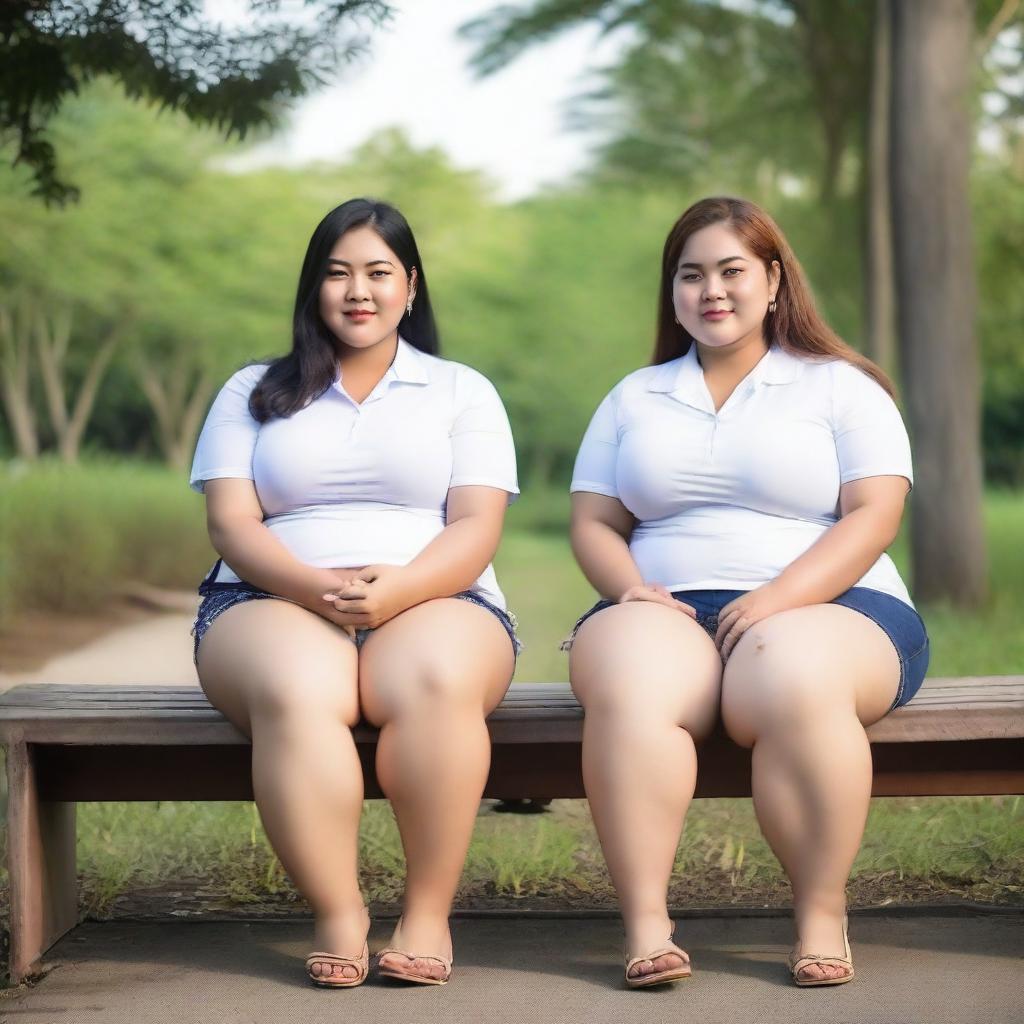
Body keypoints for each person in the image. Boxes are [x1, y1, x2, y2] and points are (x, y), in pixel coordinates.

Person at [562, 196, 929, 989]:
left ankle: (821, 912)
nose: (711, 290)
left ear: (772, 278)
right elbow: (593, 521)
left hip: (835, 606)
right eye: (690, 275)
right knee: (631, 679)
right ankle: (648, 926)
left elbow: (876, 513)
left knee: (791, 669)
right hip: (664, 604)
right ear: (673, 292)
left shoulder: (841, 386)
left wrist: (778, 597)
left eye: (731, 270)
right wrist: (630, 591)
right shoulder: (636, 396)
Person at [189, 198, 520, 988]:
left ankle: (427, 913)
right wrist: (314, 587)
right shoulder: (251, 390)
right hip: (267, 600)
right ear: (313, 288)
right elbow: (233, 526)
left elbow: (476, 525)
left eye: (377, 272)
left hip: (440, 599)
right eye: (337, 273)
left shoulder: (460, 391)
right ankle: (338, 912)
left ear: (411, 284)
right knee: (297, 685)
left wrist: (401, 589)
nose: (357, 290)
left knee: (435, 680)